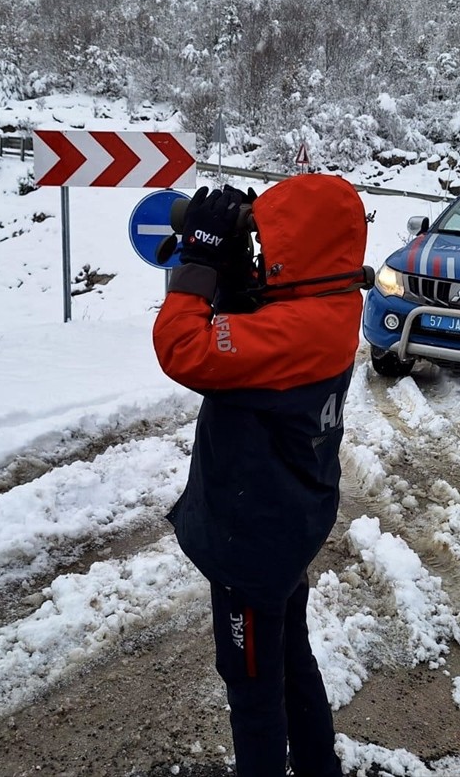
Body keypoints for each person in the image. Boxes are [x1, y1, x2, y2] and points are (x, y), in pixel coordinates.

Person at [152, 173, 370, 777]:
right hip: (286, 521)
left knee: (252, 690)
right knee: (290, 657)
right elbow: (259, 326)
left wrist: (199, 258)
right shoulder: (330, 305)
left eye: (272, 239)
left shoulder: (294, 331)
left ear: (297, 249)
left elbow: (182, 347)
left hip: (253, 539)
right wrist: (237, 270)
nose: (262, 248)